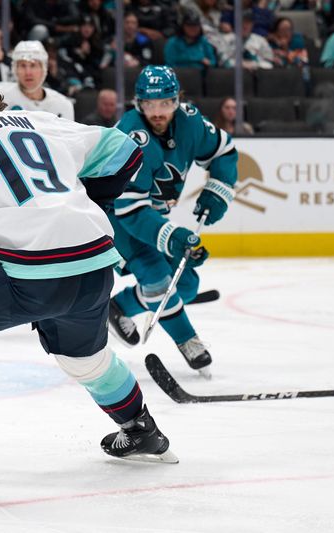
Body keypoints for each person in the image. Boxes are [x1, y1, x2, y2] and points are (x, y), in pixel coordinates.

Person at [0, 66, 177, 478]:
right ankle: (141, 430)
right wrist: (84, 206)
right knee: (84, 359)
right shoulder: (39, 120)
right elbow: (125, 150)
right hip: (94, 264)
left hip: (31, 272)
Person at [110, 66, 238, 377]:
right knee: (157, 278)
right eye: (149, 104)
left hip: (146, 215)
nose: (157, 112)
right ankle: (188, 341)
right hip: (111, 215)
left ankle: (119, 308)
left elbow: (224, 150)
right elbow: (130, 209)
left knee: (187, 284)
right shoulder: (131, 137)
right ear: (138, 103)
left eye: (165, 103)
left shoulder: (190, 121)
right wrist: (173, 238)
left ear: (177, 100)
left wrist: (218, 189)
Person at [0, 40, 74, 120]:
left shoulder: (63, 105)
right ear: (15, 69)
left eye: (33, 65)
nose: (28, 73)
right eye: (23, 65)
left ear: (44, 69)